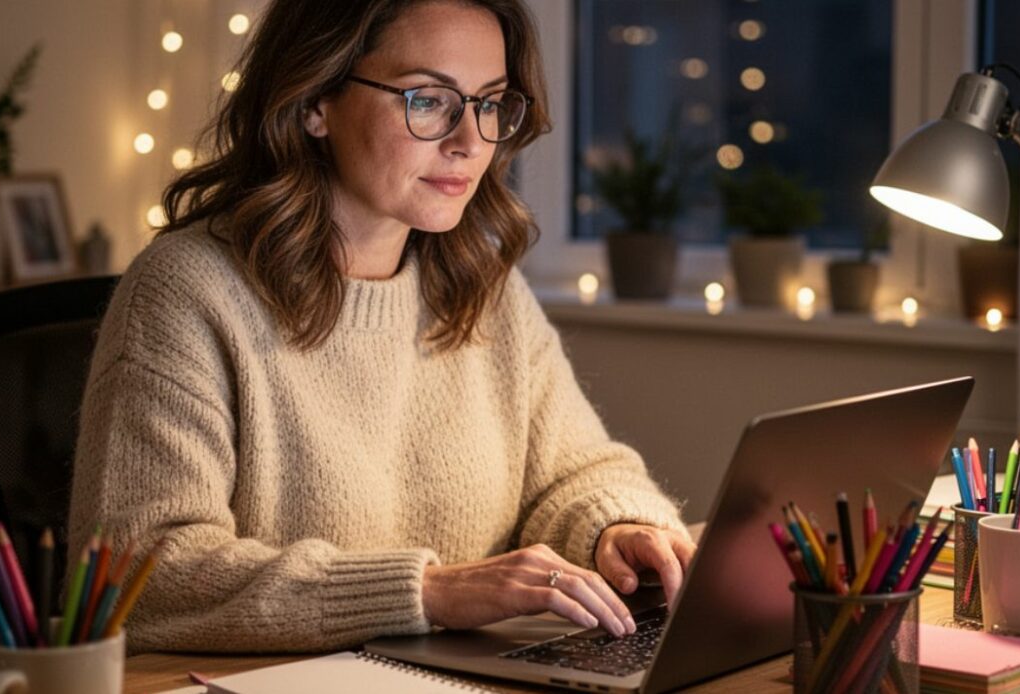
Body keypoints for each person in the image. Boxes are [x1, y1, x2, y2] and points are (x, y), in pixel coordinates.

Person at [67, 0, 695, 654]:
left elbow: (574, 472)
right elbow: (143, 574)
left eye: (489, 103)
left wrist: (616, 530)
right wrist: (427, 592)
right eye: (428, 100)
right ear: (315, 101)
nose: (470, 141)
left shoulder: (484, 285)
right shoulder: (186, 290)